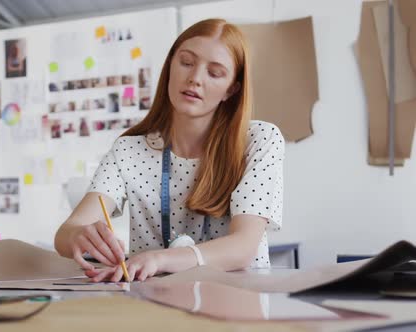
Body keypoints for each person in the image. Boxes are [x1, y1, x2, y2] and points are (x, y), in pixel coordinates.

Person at [54, 18, 284, 282]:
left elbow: (243, 247)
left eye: (214, 73)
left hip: (237, 307)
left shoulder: (259, 141)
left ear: (231, 89)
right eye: (186, 62)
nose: (195, 78)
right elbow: (65, 233)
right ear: (170, 67)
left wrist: (159, 258)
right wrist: (77, 235)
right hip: (158, 307)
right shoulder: (128, 150)